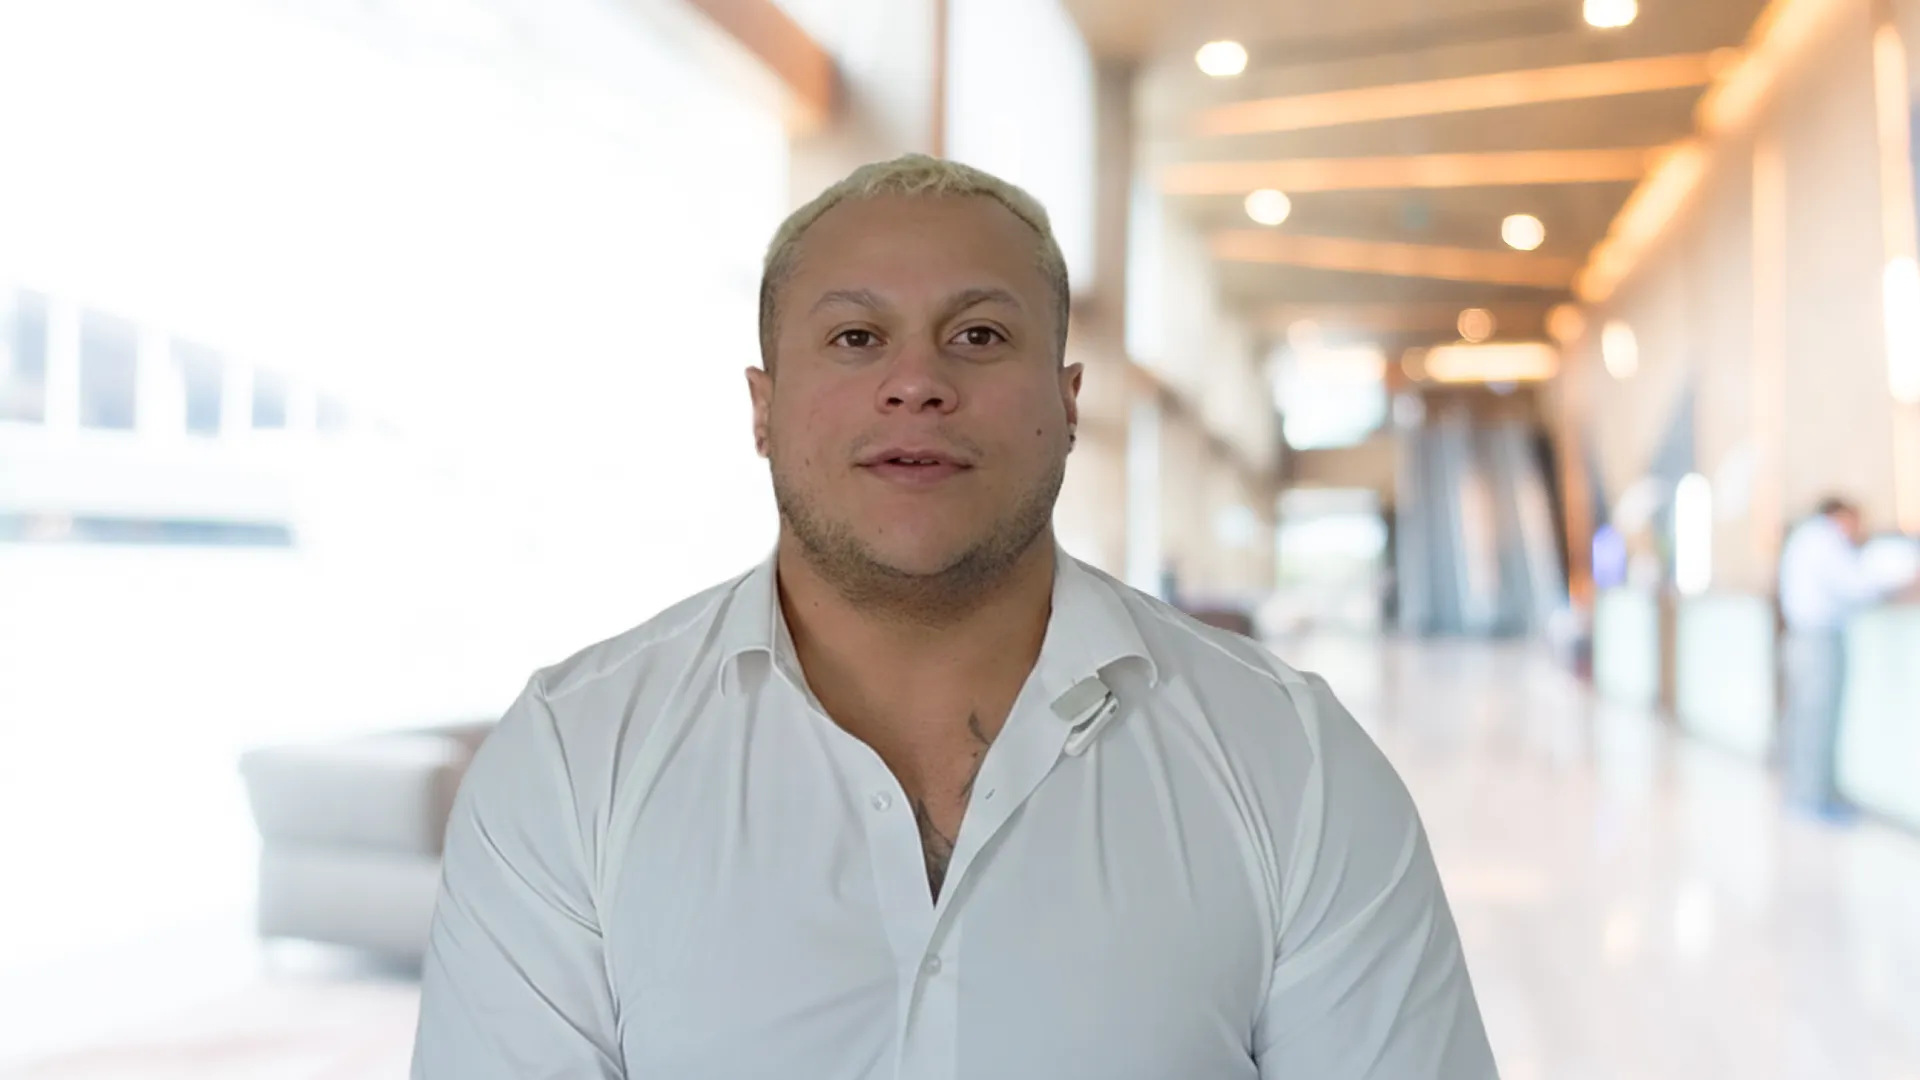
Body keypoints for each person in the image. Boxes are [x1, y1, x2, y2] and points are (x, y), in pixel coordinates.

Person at [410, 154, 1496, 1079]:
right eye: (855, 338)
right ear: (763, 408)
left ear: (1067, 404)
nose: (917, 383)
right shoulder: (574, 757)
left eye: (978, 335)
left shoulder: (1292, 763)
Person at [1776, 496, 1918, 822]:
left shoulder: (1807, 538)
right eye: (1855, 520)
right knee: (1818, 722)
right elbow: (1854, 585)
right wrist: (1899, 582)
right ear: (1839, 515)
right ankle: (1812, 799)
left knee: (1807, 721)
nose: (1858, 530)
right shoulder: (1824, 540)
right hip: (1818, 641)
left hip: (1803, 638)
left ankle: (1808, 794)